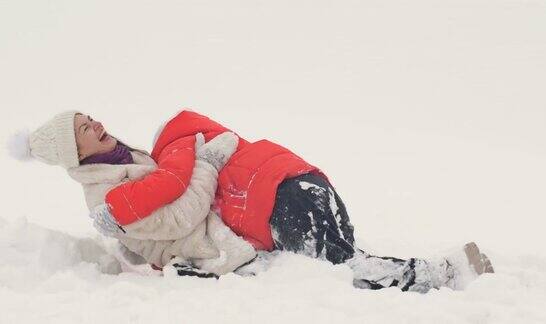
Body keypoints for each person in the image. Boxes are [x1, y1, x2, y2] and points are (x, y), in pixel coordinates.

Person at [10, 109, 494, 293]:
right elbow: (182, 213)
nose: (93, 122)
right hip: (235, 238)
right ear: (74, 153)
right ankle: (443, 274)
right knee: (340, 267)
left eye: (87, 116)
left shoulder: (131, 161)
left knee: (339, 261)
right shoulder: (111, 196)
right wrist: (207, 161)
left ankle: (440, 274)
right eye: (81, 129)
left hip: (261, 208)